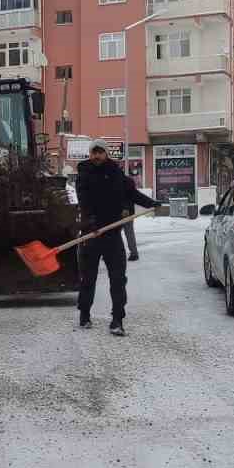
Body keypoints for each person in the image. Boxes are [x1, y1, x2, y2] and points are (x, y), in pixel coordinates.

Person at [76, 140, 158, 336]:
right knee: (88, 277)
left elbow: (132, 194)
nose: (96, 156)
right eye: (94, 152)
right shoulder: (84, 174)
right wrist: (91, 221)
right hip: (91, 233)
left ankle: (117, 319)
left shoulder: (116, 174)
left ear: (106, 154)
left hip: (112, 234)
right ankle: (85, 314)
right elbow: (84, 200)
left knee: (118, 278)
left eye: (100, 152)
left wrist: (151, 203)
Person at [122, 173, 142, 262]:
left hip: (126, 213)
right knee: (114, 234)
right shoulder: (128, 181)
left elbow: (130, 197)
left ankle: (134, 253)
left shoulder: (125, 181)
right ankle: (134, 253)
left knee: (128, 233)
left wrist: (125, 208)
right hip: (119, 213)